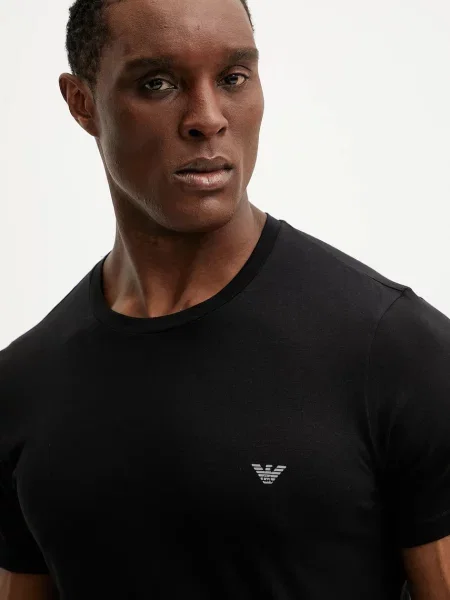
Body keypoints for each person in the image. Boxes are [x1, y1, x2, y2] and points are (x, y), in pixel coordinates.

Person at [0, 0, 449, 597]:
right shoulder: (24, 386)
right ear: (82, 102)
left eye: (233, 78)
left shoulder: (396, 350)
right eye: (158, 83)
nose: (207, 119)